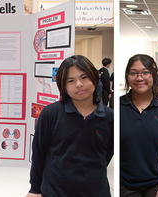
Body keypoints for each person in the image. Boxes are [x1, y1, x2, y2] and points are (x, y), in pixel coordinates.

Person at [28, 55, 114, 196]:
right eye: (71, 80)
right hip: (55, 192)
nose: (79, 84)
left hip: (96, 191)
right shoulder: (50, 114)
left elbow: (106, 155)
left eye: (84, 77)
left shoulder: (110, 117)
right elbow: (39, 153)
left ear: (94, 78)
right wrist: (35, 189)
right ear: (63, 86)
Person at [120, 54, 158, 197]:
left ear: (154, 75)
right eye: (133, 73)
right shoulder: (118, 106)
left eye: (145, 72)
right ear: (127, 76)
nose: (139, 78)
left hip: (155, 185)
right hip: (125, 186)